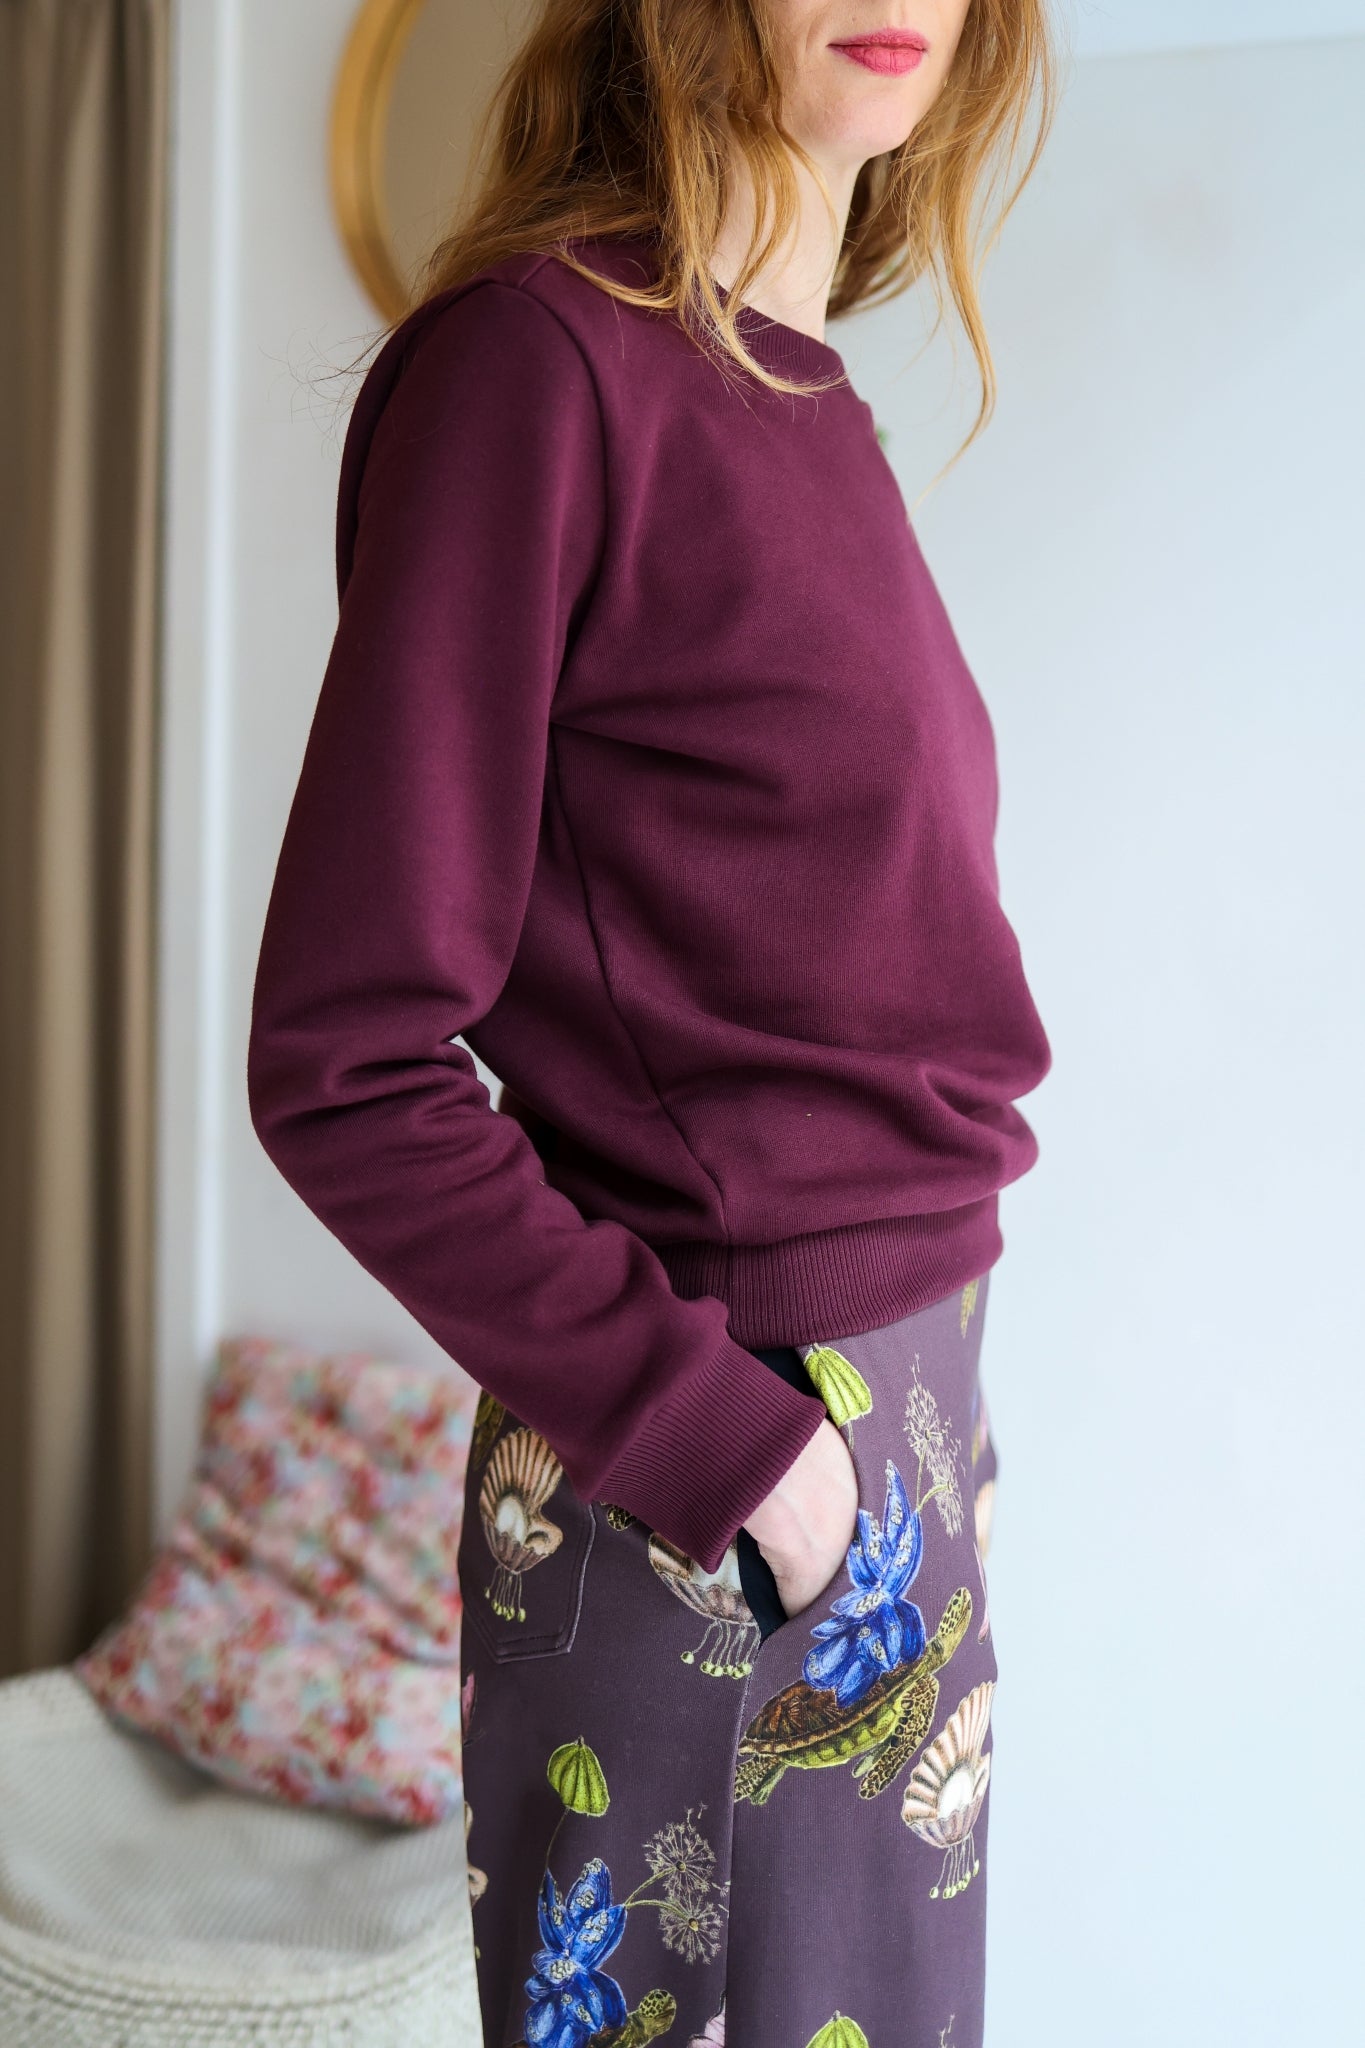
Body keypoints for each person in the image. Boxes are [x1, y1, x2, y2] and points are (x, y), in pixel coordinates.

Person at [247, 2, 1058, 2042]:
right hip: (718, 1473)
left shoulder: (796, 390)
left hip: (898, 1436)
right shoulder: (539, 365)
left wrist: (913, 1456)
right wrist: (734, 1446)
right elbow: (345, 1062)